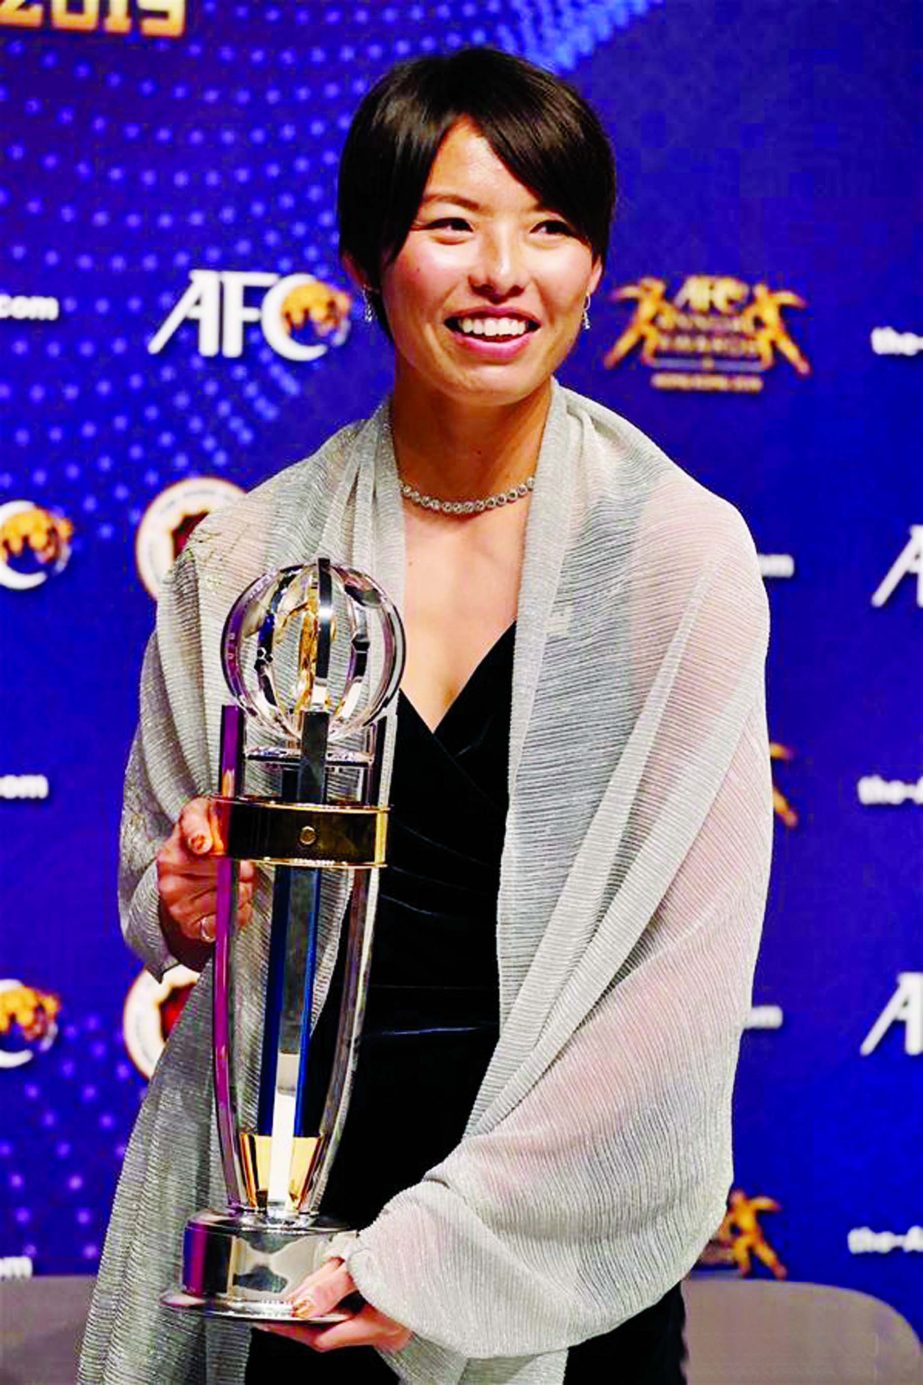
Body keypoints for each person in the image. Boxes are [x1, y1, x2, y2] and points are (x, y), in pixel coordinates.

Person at [79, 46, 773, 1385]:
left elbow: (682, 982)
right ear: (366, 257)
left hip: (557, 1243)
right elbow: (164, 878)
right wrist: (180, 894)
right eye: (453, 225)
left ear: (593, 274)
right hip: (300, 1243)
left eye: (552, 229)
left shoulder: (675, 557)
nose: (505, 272)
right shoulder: (248, 555)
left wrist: (436, 1257)